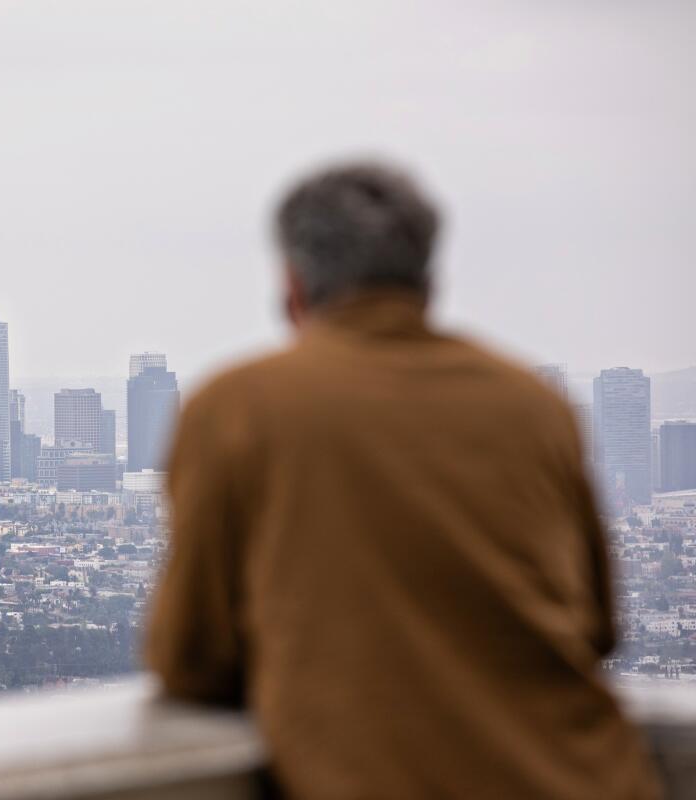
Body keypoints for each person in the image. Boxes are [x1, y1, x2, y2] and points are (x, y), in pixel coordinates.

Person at [146, 161, 660, 799]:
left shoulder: (238, 407)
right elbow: (599, 627)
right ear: (427, 281)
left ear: (293, 286)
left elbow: (191, 658)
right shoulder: (533, 405)